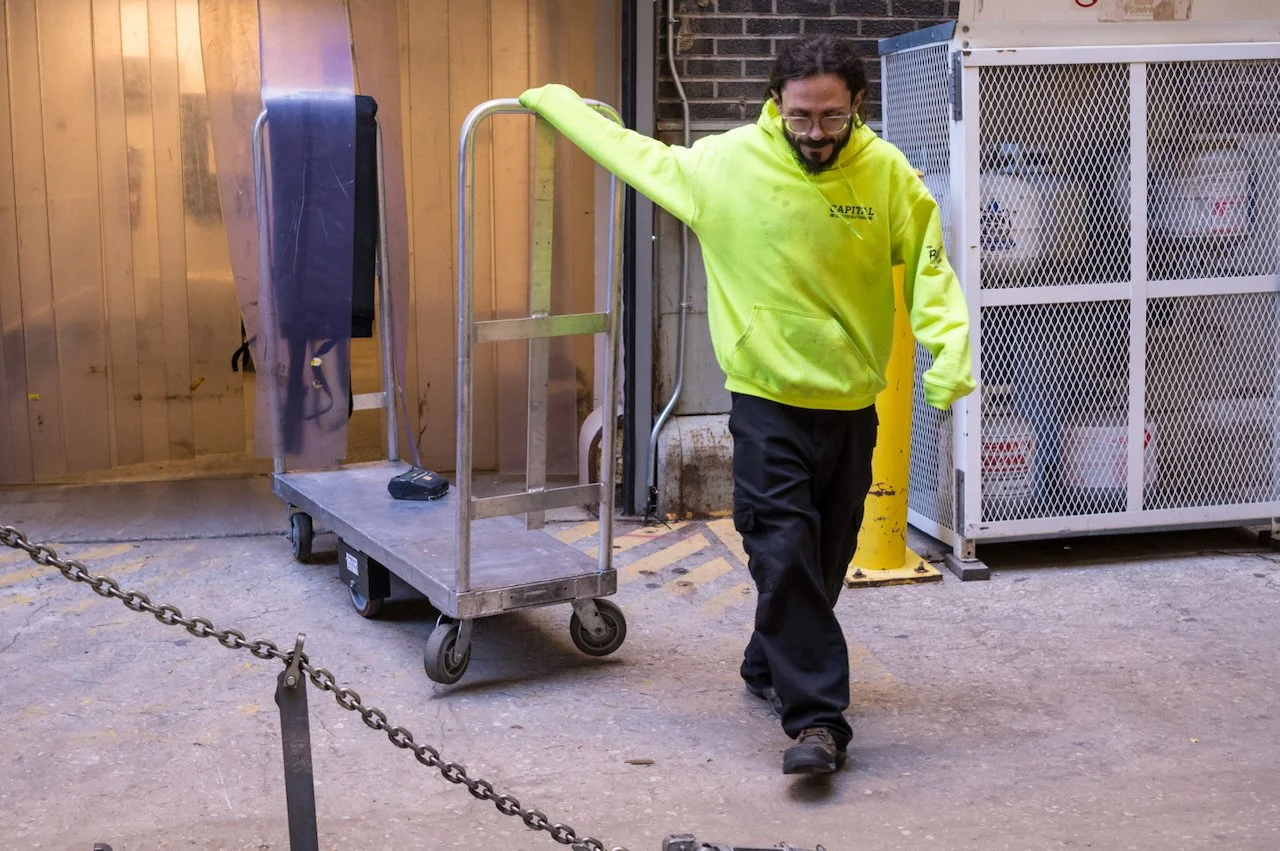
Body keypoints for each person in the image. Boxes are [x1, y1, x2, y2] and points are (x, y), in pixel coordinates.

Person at [519, 35, 975, 775]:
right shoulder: (725, 164)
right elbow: (634, 153)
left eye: (831, 118)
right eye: (801, 117)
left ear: (857, 105)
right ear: (776, 104)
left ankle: (767, 664)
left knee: (824, 561)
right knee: (783, 549)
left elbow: (930, 265)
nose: (816, 134)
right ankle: (819, 722)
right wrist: (555, 100)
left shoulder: (887, 173)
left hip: (854, 403)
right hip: (765, 402)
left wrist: (947, 353)